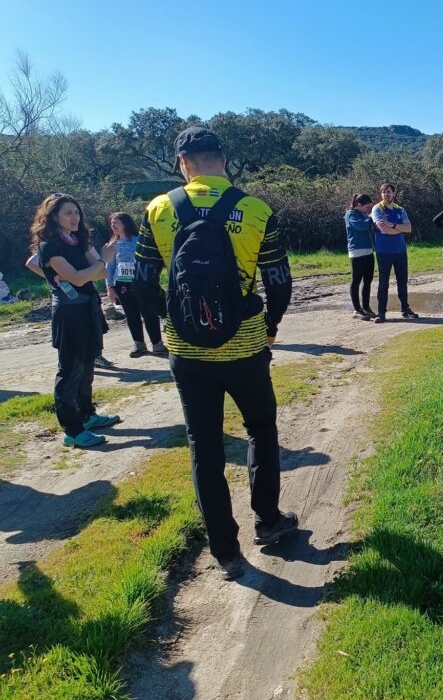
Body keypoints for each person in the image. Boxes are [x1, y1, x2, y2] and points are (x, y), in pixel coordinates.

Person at [133, 127, 297, 580]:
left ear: (182, 163)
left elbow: (141, 283)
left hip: (187, 353)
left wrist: (171, 321)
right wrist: (269, 327)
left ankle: (225, 551)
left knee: (204, 446)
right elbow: (279, 282)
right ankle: (268, 521)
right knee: (261, 429)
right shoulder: (256, 209)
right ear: (223, 159)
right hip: (246, 346)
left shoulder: (158, 209)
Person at [29, 193, 121, 449]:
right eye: (68, 213)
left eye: (77, 212)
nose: (74, 217)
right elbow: (82, 276)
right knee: (70, 371)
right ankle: (72, 430)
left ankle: (87, 416)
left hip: (88, 308)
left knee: (87, 365)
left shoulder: (78, 240)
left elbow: (99, 273)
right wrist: (99, 261)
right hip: (69, 314)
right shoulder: (50, 246)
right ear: (53, 217)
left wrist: (93, 267)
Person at [105, 212, 167, 357]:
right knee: (131, 314)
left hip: (142, 283)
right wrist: (110, 287)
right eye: (112, 223)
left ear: (125, 223)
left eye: (116, 222)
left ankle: (157, 344)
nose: (113, 225)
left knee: (149, 312)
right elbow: (110, 267)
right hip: (122, 285)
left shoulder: (140, 241)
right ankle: (139, 345)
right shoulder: (112, 246)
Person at [372, 183, 419, 321]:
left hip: (400, 251)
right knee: (383, 283)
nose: (387, 194)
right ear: (381, 194)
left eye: (389, 192)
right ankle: (381, 312)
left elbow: (408, 228)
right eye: (384, 192)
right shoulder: (377, 209)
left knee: (402, 282)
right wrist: (399, 228)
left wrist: (392, 225)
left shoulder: (400, 209)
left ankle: (405, 309)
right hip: (384, 251)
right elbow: (384, 230)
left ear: (394, 193)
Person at [345, 193, 376, 320]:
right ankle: (357, 309)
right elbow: (361, 226)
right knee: (356, 281)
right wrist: (372, 218)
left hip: (369, 251)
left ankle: (366, 307)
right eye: (367, 207)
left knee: (368, 281)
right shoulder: (351, 214)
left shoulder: (365, 215)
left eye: (371, 207)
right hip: (357, 252)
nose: (369, 209)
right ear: (359, 205)